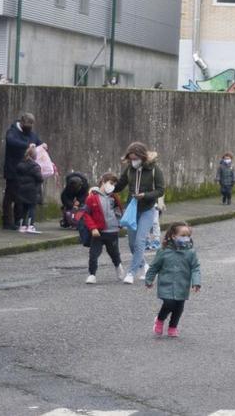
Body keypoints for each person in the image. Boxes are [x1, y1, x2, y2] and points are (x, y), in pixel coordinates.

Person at [114, 142, 166, 285]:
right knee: (132, 244)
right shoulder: (129, 169)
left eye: (135, 158)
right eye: (131, 159)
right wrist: (106, 188)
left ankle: (131, 272)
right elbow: (120, 185)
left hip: (148, 209)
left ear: (142, 157)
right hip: (132, 209)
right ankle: (145, 266)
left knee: (140, 241)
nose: (133, 161)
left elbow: (160, 190)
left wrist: (145, 195)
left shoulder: (155, 169)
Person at [145, 222, 201, 338]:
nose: (185, 238)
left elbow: (195, 267)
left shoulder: (190, 252)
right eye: (182, 235)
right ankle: (160, 320)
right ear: (173, 236)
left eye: (187, 235)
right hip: (167, 283)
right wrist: (149, 279)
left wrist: (196, 282)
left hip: (182, 284)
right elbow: (155, 266)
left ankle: (173, 327)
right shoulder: (164, 251)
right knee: (169, 303)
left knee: (179, 307)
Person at [82, 173, 125, 284]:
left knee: (114, 253)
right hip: (98, 232)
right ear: (103, 181)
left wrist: (120, 223)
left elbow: (119, 211)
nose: (112, 186)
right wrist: (93, 228)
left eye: (114, 184)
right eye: (110, 183)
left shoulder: (114, 197)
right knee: (93, 254)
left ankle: (118, 266)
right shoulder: (92, 198)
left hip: (112, 231)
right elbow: (86, 214)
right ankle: (92, 274)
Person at [2, 113, 43, 230]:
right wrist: (27, 146)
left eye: (31, 125)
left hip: (25, 172)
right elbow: (11, 141)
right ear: (21, 122)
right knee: (10, 196)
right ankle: (7, 222)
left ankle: (17, 221)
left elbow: (37, 142)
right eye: (27, 125)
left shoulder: (31, 134)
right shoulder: (12, 131)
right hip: (13, 170)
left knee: (20, 198)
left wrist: (42, 145)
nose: (29, 128)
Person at [14, 146, 44, 234]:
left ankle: (22, 226)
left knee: (24, 208)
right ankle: (31, 226)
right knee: (32, 208)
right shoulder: (35, 166)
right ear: (34, 156)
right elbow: (40, 178)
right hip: (32, 191)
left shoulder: (20, 165)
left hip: (22, 190)